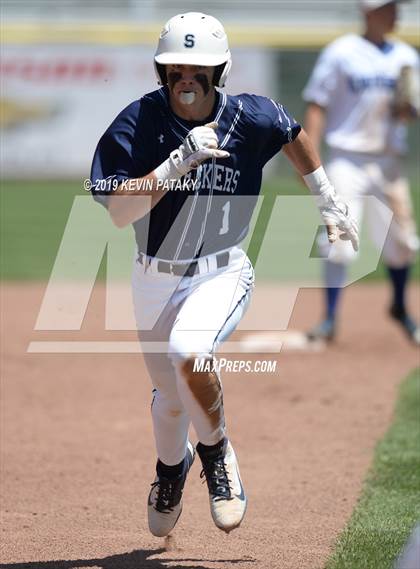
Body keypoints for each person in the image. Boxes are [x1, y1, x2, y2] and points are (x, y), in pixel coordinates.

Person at [89, 12, 358, 537]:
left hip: (222, 270)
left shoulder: (251, 115)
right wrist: (172, 166)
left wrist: (326, 197)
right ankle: (172, 470)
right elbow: (120, 213)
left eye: (199, 68)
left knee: (189, 352)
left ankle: (217, 454)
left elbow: (291, 133)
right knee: (169, 402)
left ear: (222, 70)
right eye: (174, 68)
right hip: (152, 277)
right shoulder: (138, 122)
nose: (185, 77)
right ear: (160, 72)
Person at [303, 0, 420, 344]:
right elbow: (317, 104)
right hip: (346, 158)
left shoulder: (406, 56)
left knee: (402, 243)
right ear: (369, 12)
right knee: (339, 240)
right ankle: (328, 319)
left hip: (388, 160)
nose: (396, 12)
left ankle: (399, 307)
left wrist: (405, 108)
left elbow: (409, 113)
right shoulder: (341, 53)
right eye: (388, 7)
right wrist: (309, 161)